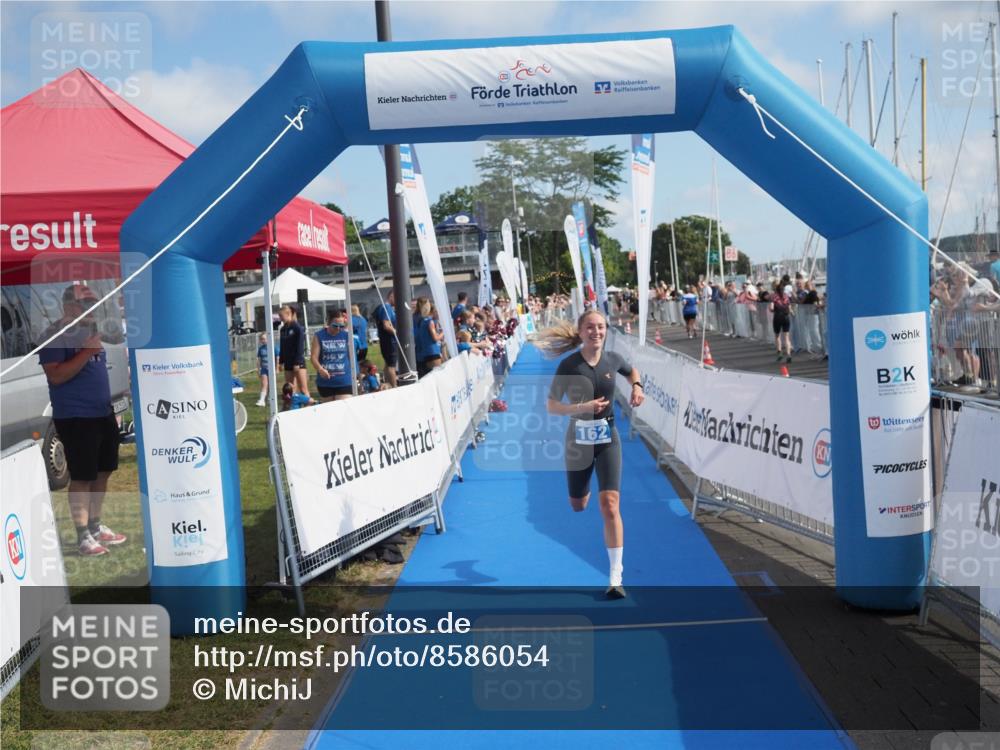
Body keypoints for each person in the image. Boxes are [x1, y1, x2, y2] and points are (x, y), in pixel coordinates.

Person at [539, 310, 644, 599]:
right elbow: (551, 406)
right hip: (578, 440)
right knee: (579, 504)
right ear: (581, 331)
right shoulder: (569, 365)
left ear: (605, 330)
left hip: (608, 438)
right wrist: (580, 408)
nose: (596, 332)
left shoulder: (612, 360)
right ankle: (579, 492)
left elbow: (631, 371)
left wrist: (637, 386)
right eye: (590, 328)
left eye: (600, 327)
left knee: (610, 504)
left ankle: (615, 577)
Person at [38, 284, 127, 557]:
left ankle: (96, 526)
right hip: (76, 417)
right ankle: (83, 537)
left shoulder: (90, 331)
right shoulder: (54, 335)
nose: (92, 310)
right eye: (86, 305)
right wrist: (87, 352)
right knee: (82, 476)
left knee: (103, 471)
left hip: (102, 412)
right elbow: (56, 376)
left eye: (93, 304)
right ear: (69, 307)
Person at [311, 308, 360, 401]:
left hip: (345, 381)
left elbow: (352, 357)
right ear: (329, 322)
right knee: (329, 412)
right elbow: (313, 358)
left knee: (343, 410)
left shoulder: (347, 335)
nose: (338, 328)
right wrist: (320, 370)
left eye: (341, 325)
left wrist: (357, 376)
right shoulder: (319, 335)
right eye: (335, 325)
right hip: (325, 382)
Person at [279, 304, 310, 398]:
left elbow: (300, 346)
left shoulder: (297, 328)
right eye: (279, 316)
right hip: (288, 362)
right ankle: (293, 408)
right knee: (289, 388)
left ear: (288, 314)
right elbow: (282, 346)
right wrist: (281, 362)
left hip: (297, 362)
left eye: (282, 316)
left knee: (303, 389)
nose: (281, 318)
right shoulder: (283, 329)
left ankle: (308, 406)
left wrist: (297, 362)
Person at [374, 290, 399, 388]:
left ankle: (388, 384)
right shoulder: (387, 308)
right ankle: (394, 386)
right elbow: (386, 325)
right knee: (391, 365)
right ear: (391, 296)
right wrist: (398, 333)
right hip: (389, 341)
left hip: (387, 340)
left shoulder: (388, 308)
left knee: (388, 363)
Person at [414, 298, 444, 377]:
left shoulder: (421, 320)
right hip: (433, 352)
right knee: (437, 377)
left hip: (424, 353)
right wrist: (443, 332)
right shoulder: (429, 321)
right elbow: (435, 338)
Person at [770, 280, 793, 363]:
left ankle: (779, 352)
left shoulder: (774, 297)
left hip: (777, 317)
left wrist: (772, 309)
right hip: (786, 317)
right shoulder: (786, 296)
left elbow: (771, 308)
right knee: (787, 336)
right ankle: (788, 354)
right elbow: (790, 308)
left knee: (777, 336)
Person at [255, 333, 278, 407]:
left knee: (271, 385)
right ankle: (262, 400)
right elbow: (258, 360)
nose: (263, 340)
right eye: (261, 339)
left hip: (272, 369)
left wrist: (277, 368)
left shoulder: (274, 347)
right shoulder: (261, 349)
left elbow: (277, 358)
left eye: (264, 339)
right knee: (264, 384)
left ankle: (270, 398)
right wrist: (258, 370)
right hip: (264, 369)